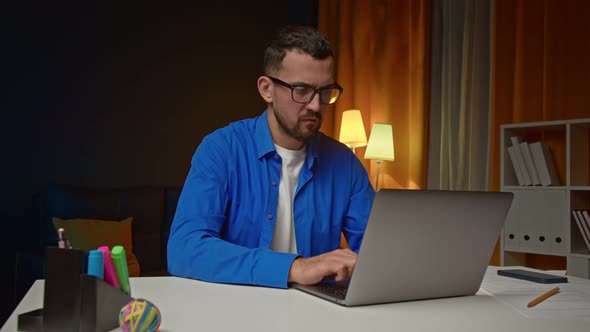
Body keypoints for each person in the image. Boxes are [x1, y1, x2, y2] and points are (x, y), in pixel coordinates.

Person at [167, 25, 375, 289]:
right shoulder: (221, 149)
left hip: (316, 316)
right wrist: (295, 267)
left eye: (325, 92)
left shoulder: (346, 164)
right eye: (301, 90)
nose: (315, 105)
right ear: (266, 89)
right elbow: (184, 250)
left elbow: (377, 255)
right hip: (236, 312)